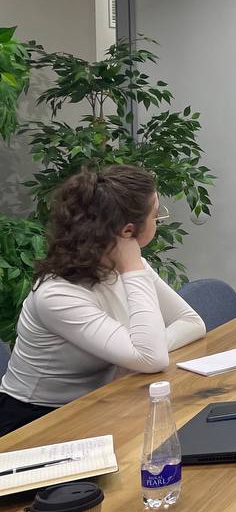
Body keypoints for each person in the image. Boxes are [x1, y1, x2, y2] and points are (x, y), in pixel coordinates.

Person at [0, 165, 206, 436]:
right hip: (36, 420)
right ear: (128, 231)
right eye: (156, 215)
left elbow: (191, 322)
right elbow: (151, 357)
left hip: (103, 400)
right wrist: (138, 354)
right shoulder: (57, 294)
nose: (159, 221)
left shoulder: (129, 268)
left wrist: (135, 356)